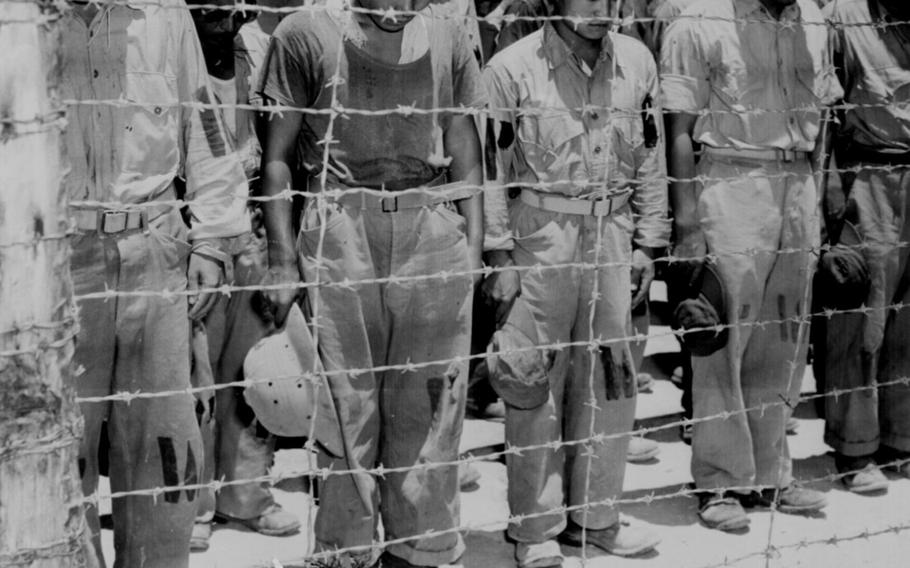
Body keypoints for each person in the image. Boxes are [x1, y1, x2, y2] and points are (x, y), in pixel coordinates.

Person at [258, 0, 486, 565]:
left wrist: (472, 248)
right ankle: (347, 551)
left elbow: (464, 144)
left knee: (430, 406)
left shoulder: (448, 34)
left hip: (429, 228)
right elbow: (279, 156)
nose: (399, 9)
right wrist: (283, 258)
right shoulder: (304, 33)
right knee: (344, 406)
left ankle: (423, 547)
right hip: (341, 231)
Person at [61, 0, 250, 565]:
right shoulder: (19, 21)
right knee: (57, 447)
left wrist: (213, 240)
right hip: (56, 258)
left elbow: (206, 128)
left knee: (163, 449)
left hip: (155, 246)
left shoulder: (163, 15)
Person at [483, 0, 668, 565]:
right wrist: (500, 255)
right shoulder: (511, 69)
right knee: (533, 382)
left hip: (612, 234)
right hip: (541, 238)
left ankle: (597, 517)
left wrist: (646, 242)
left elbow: (651, 155)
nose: (598, 8)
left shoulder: (636, 62)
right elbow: (494, 169)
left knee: (612, 379)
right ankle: (535, 529)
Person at [661, 0, 842, 532]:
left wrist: (818, 188)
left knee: (785, 338)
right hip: (732, 179)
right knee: (723, 341)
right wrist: (688, 223)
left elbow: (825, 113)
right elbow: (678, 127)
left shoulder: (812, 18)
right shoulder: (699, 20)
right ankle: (719, 480)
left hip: (798, 184)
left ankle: (772, 473)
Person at [186, 0, 301, 552]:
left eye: (233, 11)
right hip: (196, 245)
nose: (224, 21)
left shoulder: (255, 54)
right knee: (195, 381)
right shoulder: (175, 64)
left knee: (253, 376)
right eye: (209, 11)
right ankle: (193, 504)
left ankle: (247, 494)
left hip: (251, 237)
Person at [820, 0, 910, 493]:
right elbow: (823, 107)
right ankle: (855, 447)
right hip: (867, 175)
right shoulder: (844, 15)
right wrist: (832, 186)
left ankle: (902, 436)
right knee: (862, 317)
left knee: (908, 318)